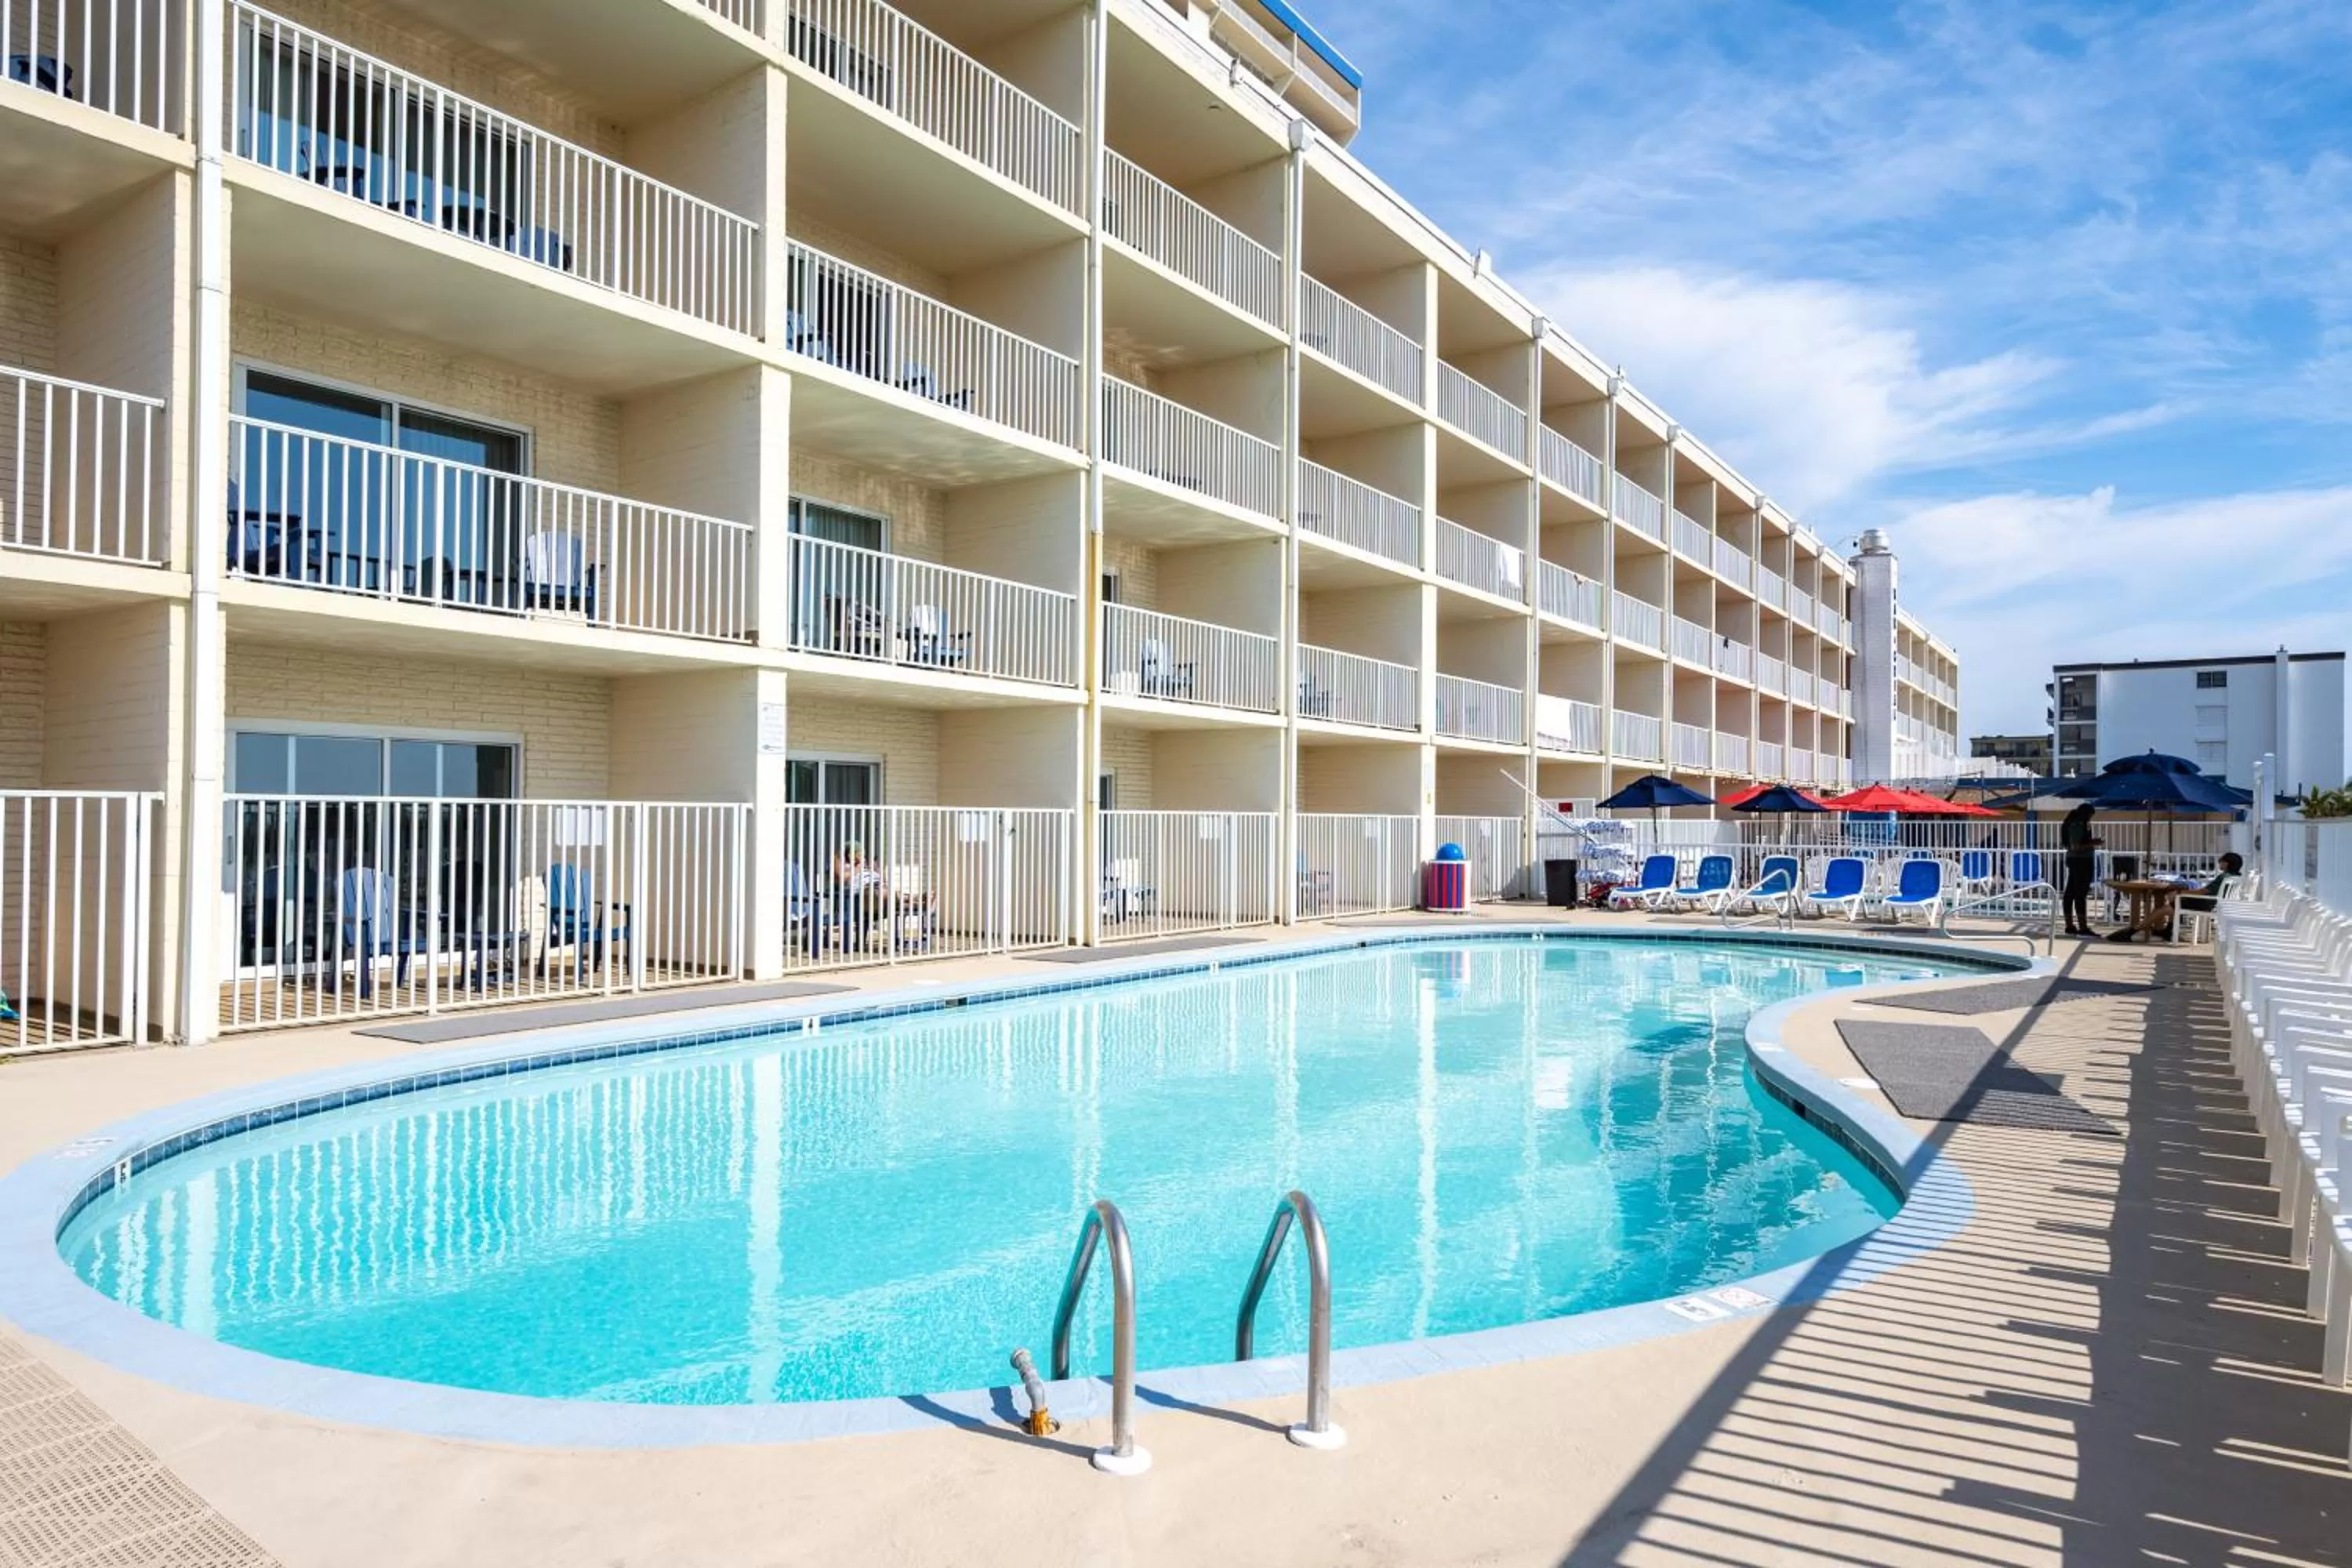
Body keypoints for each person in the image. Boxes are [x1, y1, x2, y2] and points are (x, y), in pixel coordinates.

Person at [2060, 800, 2100, 936]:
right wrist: (2093, 843)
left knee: (2071, 893)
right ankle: (2083, 927)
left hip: (2075, 861)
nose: (2090, 819)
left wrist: (2091, 842)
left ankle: (2070, 926)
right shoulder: (2077, 825)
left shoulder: (2074, 823)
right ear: (2085, 814)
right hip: (2081, 862)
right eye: (2090, 816)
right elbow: (2076, 847)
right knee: (2079, 894)